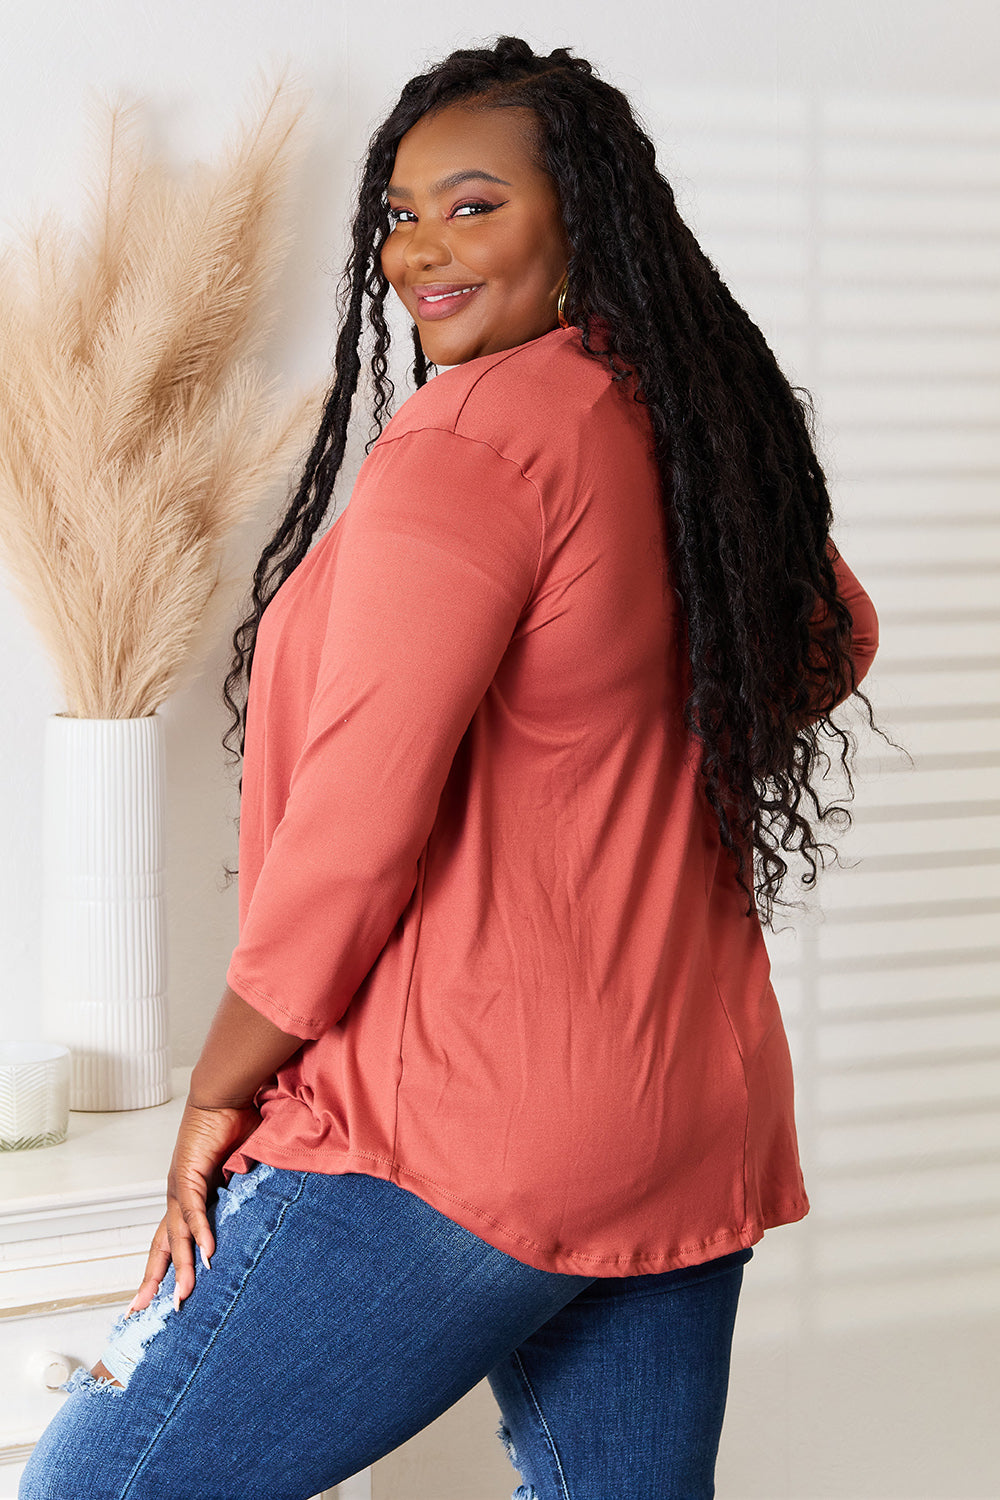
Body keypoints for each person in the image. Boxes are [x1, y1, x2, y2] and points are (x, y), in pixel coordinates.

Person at [21, 35, 879, 1500]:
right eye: (402, 213)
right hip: (682, 1116)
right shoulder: (686, 425)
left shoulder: (467, 441)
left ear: (584, 221)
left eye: (473, 205)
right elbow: (829, 640)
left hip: (462, 1133)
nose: (421, 249)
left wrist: (221, 1092)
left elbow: (356, 829)